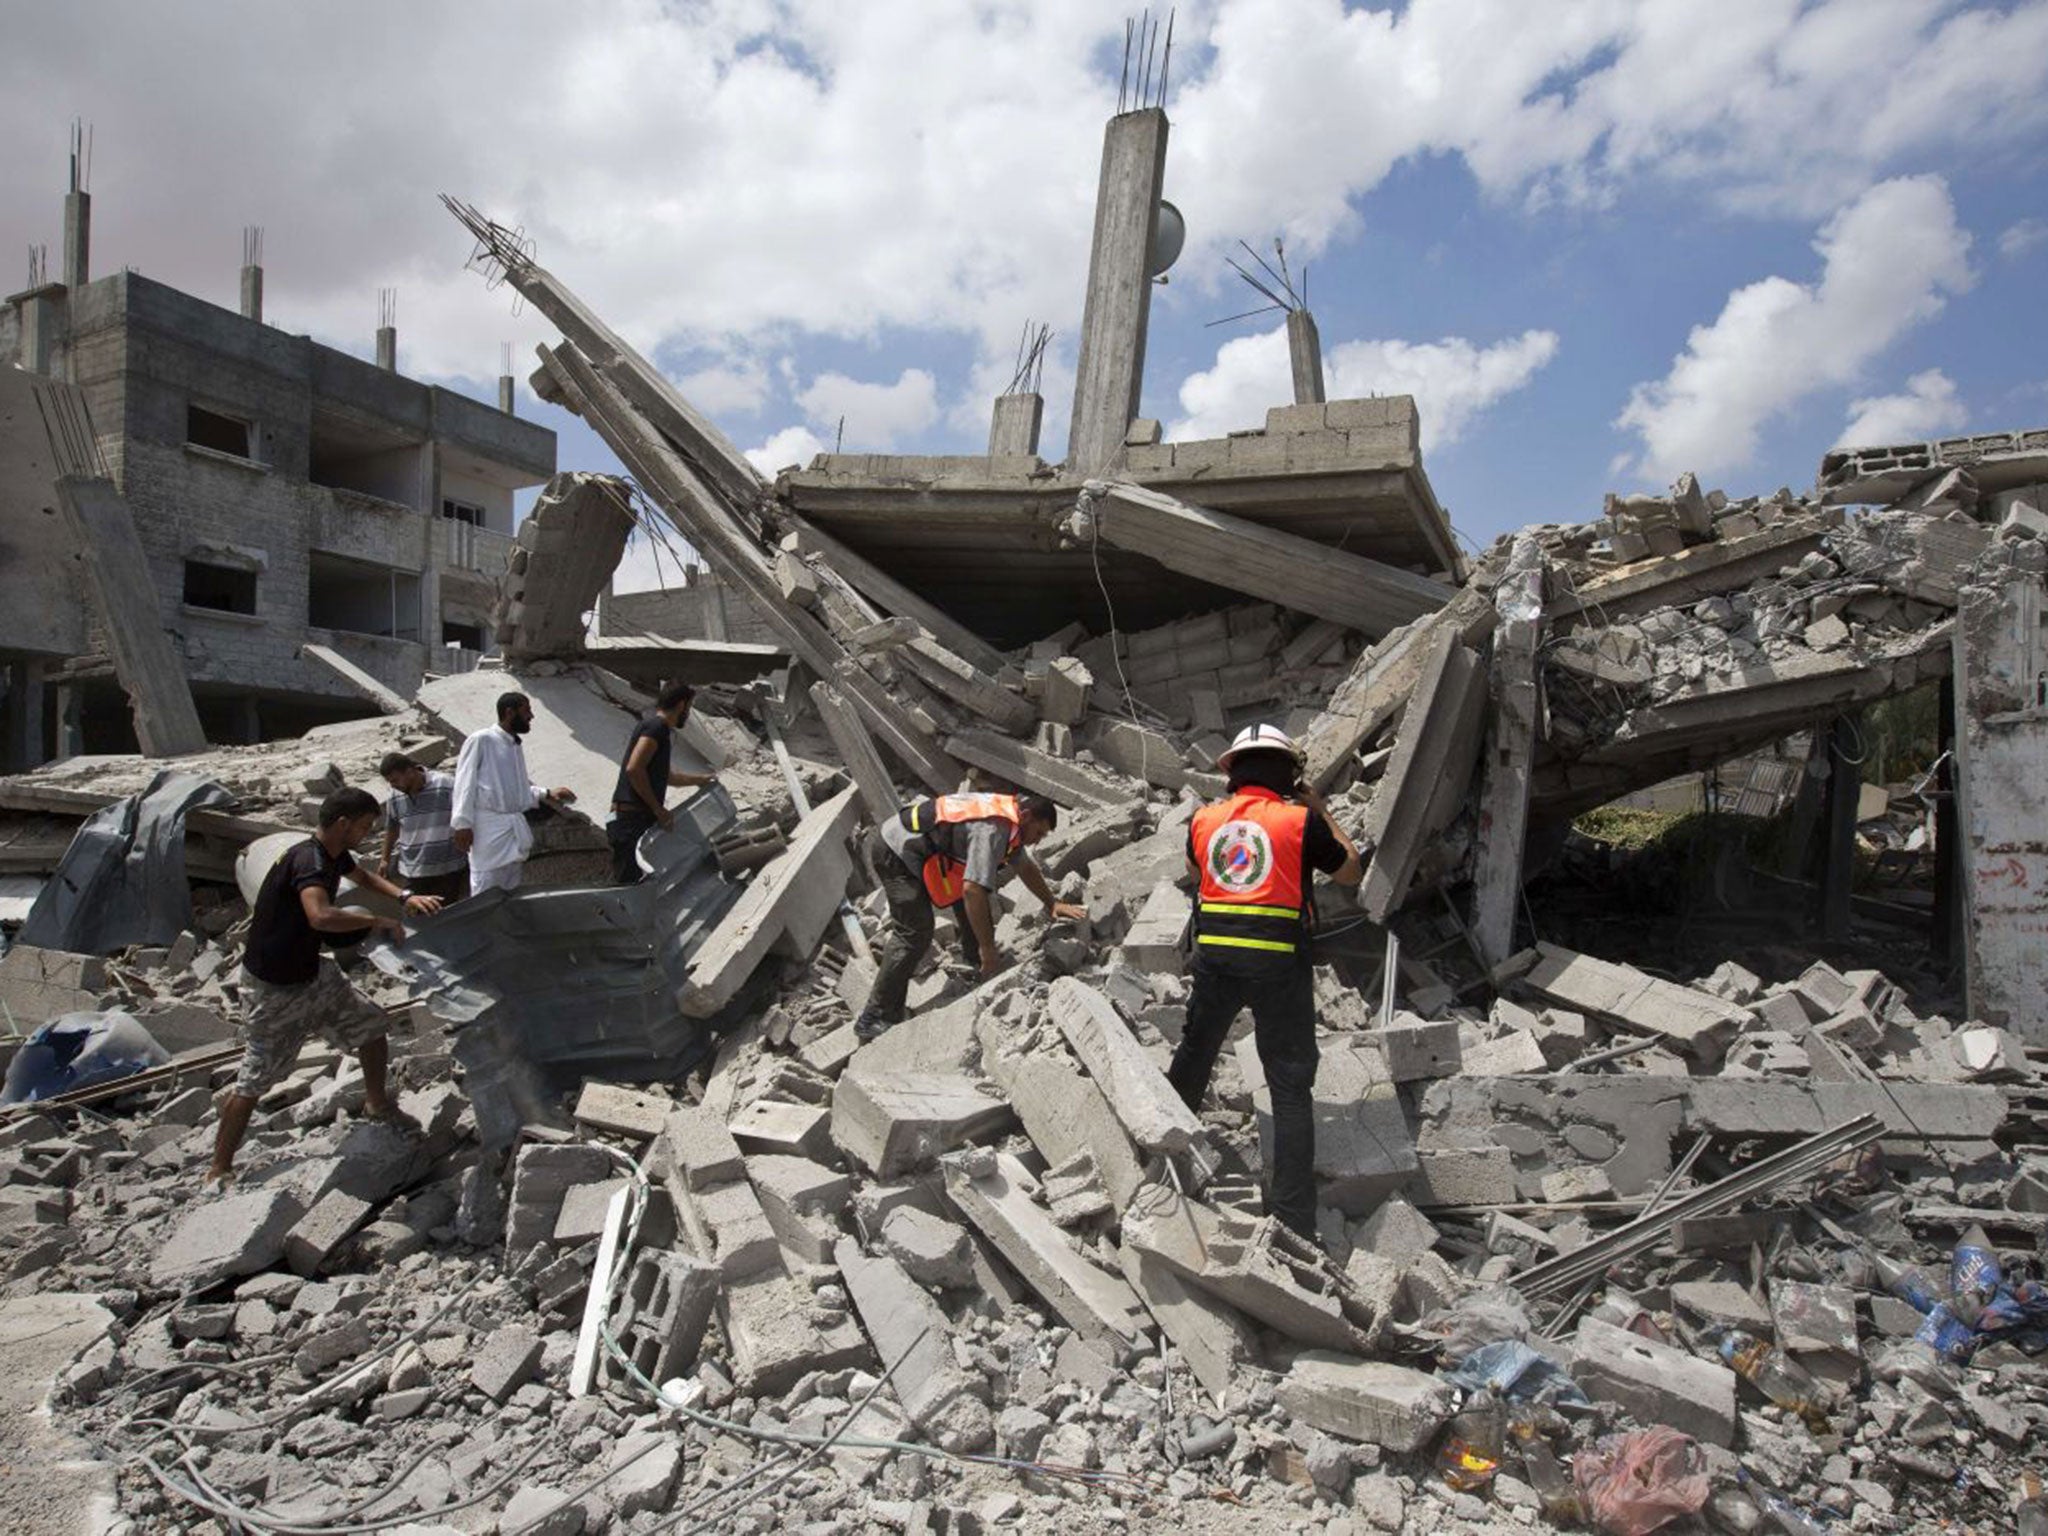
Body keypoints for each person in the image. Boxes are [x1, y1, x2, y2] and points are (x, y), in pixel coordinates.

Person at [1166, 723, 1361, 1243]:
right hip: (1278, 966)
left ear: (1233, 773)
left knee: (1194, 1058)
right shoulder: (1299, 820)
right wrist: (1321, 810)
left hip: (1216, 960)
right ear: (1290, 774)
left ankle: (1158, 1168)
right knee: (1290, 1088)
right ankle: (1295, 1223)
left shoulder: (1205, 819)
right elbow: (1350, 873)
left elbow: (1194, 868)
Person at [206, 786, 446, 1187]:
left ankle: (377, 1105)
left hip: (313, 974)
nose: (367, 834)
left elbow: (362, 875)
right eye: (365, 827)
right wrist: (375, 920)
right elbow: (319, 915)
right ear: (342, 823)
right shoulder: (309, 862)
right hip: (274, 989)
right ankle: (219, 1167)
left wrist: (405, 897)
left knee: (371, 1025)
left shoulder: (332, 853)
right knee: (255, 1078)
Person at [853, 790, 1086, 1042]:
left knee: (971, 898)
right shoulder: (994, 829)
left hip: (928, 848)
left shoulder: (1011, 819)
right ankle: (874, 1017)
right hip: (895, 851)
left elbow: (1025, 866)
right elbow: (972, 891)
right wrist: (989, 949)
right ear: (1026, 816)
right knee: (915, 931)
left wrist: (1052, 903)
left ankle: (975, 961)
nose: (1037, 841)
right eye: (1038, 833)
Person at [450, 691, 576, 894]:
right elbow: (464, 783)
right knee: (486, 892)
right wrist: (462, 824)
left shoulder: (513, 745)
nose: (531, 716)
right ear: (510, 712)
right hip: (489, 833)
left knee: (510, 894)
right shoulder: (481, 739)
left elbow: (514, 787)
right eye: (527, 711)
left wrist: (546, 793)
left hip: (511, 833)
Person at [607, 680, 717, 885]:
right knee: (627, 889)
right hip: (630, 821)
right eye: (689, 708)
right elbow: (634, 768)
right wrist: (658, 810)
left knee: (637, 883)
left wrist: (699, 780)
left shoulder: (657, 728)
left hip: (633, 820)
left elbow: (666, 777)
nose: (688, 713)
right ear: (682, 705)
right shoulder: (657, 727)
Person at [377, 753, 470, 905]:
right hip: (412, 871)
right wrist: (385, 859)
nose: (393, 785)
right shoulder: (395, 796)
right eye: (389, 782)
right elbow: (392, 827)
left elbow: (465, 818)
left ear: (410, 771)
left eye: (395, 780)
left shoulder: (445, 784)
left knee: (446, 918)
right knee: (416, 920)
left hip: (447, 869)